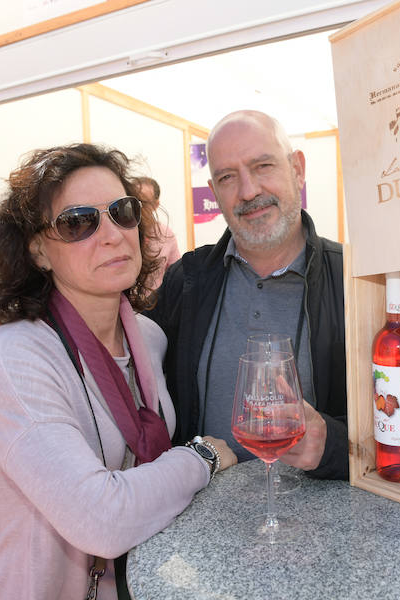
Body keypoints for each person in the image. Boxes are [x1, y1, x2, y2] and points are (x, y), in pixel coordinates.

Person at [0, 143, 236, 599]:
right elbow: (101, 519)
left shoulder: (148, 338)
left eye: (122, 211)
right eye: (78, 222)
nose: (112, 234)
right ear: (38, 251)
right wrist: (202, 458)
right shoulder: (15, 360)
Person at [147, 110, 348, 480]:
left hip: (320, 524)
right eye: (227, 177)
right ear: (215, 192)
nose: (249, 191)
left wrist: (334, 445)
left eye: (263, 166)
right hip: (205, 518)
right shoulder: (186, 281)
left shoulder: (353, 281)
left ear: (297, 169)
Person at [136, 176, 181, 290]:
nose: (139, 208)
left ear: (156, 205)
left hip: (155, 304)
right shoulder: (121, 232)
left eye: (144, 202)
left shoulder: (166, 234)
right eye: (135, 201)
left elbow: (177, 276)